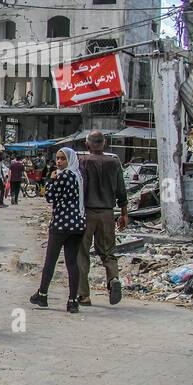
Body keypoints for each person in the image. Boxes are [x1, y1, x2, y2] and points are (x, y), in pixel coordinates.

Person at [30, 147, 87, 313]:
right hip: (77, 224)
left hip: (61, 224)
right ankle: (73, 300)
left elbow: (50, 197)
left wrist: (51, 179)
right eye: (58, 158)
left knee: (50, 260)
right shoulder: (78, 176)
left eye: (62, 158)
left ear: (69, 160)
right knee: (72, 262)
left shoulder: (63, 175)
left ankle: (42, 294)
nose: (59, 162)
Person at [76, 130, 129, 306]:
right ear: (104, 144)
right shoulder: (114, 163)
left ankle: (84, 295)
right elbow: (122, 190)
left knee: (82, 253)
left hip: (86, 213)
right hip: (107, 212)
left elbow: (78, 189)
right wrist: (124, 213)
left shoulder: (82, 162)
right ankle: (113, 278)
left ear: (87, 145)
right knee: (108, 252)